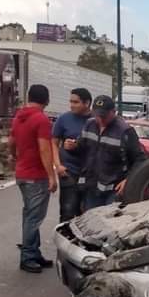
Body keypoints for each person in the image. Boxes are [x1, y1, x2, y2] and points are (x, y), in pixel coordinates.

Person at [9, 84, 57, 273]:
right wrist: (51, 176)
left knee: (30, 214)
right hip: (36, 176)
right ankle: (28, 256)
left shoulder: (19, 117)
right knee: (34, 217)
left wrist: (13, 156)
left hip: (22, 174)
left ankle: (34, 253)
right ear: (46, 100)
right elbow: (45, 149)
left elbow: (11, 142)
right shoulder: (41, 119)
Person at [67, 95, 146, 210]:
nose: (100, 119)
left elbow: (140, 159)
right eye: (97, 115)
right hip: (92, 187)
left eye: (104, 116)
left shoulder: (125, 131)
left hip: (114, 189)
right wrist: (73, 146)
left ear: (113, 112)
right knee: (91, 222)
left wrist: (129, 180)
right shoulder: (89, 125)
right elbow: (82, 148)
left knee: (110, 222)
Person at [51, 87, 92, 222]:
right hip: (68, 171)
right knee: (67, 212)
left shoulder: (96, 120)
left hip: (90, 173)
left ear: (87, 103)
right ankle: (64, 239)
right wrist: (58, 165)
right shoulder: (64, 119)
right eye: (71, 102)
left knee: (87, 214)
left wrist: (78, 145)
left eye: (76, 102)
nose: (72, 105)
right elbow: (54, 143)